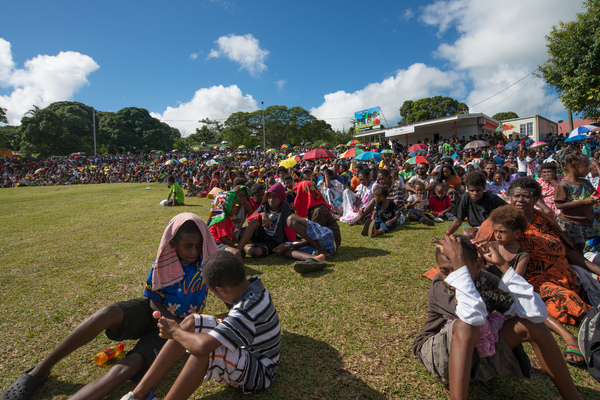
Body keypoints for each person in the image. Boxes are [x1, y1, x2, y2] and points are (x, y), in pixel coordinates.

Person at [1, 214, 218, 400]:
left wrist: (177, 329)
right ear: (172, 244)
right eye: (188, 246)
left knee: (130, 364)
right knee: (107, 313)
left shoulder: (206, 263)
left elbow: (228, 261)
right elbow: (152, 298)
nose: (194, 251)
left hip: (176, 331)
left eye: (199, 245)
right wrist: (166, 317)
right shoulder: (164, 260)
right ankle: (40, 370)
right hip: (156, 312)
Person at [413, 235, 580, 400]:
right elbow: (472, 318)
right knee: (466, 327)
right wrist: (459, 263)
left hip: (476, 358)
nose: (451, 278)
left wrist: (503, 265)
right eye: (445, 271)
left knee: (534, 325)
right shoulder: (440, 285)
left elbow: (536, 314)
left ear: (478, 265)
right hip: (438, 357)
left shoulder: (486, 280)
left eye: (457, 268)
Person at [120, 251, 281, 400]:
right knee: (191, 322)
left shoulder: (246, 309)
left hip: (260, 371)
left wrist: (175, 332)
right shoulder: (253, 287)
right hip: (248, 348)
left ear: (221, 290)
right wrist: (180, 331)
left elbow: (203, 347)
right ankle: (139, 394)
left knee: (204, 351)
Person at [477, 177, 600, 366]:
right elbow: (480, 247)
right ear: (509, 197)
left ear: (536, 199)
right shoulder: (499, 221)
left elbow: (568, 251)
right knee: (567, 300)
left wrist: (594, 269)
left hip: (567, 274)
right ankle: (580, 335)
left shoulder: (544, 220)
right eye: (516, 195)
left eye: (526, 196)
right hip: (533, 279)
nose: (520, 199)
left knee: (592, 282)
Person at [275, 181, 341, 273]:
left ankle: (322, 251)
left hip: (330, 242)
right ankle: (316, 258)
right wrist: (289, 245)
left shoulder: (319, 210)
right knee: (286, 251)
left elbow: (315, 237)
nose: (297, 196)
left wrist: (293, 244)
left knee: (291, 220)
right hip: (322, 244)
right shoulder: (312, 209)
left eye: (299, 193)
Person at [554, 152, 600, 254]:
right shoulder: (563, 185)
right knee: (574, 250)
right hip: (570, 224)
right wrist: (584, 202)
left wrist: (594, 199)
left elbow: (594, 194)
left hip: (585, 222)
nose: (588, 169)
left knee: (582, 250)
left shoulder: (585, 182)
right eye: (586, 166)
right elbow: (560, 205)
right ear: (574, 166)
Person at [236, 183, 292, 258]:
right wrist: (261, 214)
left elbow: (287, 227)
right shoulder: (265, 205)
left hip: (273, 240)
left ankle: (246, 247)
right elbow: (249, 220)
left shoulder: (284, 206)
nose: (271, 200)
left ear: (280, 197)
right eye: (269, 197)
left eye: (274, 197)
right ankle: (238, 250)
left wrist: (290, 243)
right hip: (261, 234)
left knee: (257, 253)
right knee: (254, 221)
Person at [447, 171, 506, 237]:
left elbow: (509, 210)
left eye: (478, 190)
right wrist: (446, 236)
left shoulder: (493, 199)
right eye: (472, 191)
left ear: (484, 188)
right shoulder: (465, 198)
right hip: (477, 229)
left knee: (467, 234)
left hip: (494, 229)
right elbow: (458, 221)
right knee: (466, 234)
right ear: (468, 189)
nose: (475, 193)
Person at [207, 191, 244, 263]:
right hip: (215, 245)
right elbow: (224, 240)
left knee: (240, 252)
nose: (235, 208)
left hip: (221, 244)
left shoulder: (227, 218)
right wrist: (233, 246)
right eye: (232, 206)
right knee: (236, 253)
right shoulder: (220, 219)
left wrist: (234, 245)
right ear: (224, 207)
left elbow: (232, 235)